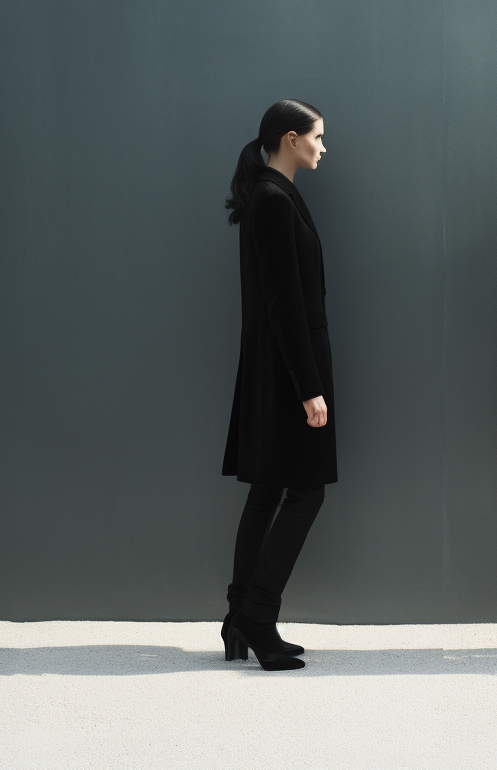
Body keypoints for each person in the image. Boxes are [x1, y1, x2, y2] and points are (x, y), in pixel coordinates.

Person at [220, 99, 335, 671]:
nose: (323, 147)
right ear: (291, 139)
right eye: (318, 137)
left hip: (278, 366)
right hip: (291, 370)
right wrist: (310, 388)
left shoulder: (274, 196)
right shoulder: (272, 200)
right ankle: (257, 616)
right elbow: (285, 304)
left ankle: (239, 613)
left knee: (268, 490)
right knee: (303, 491)